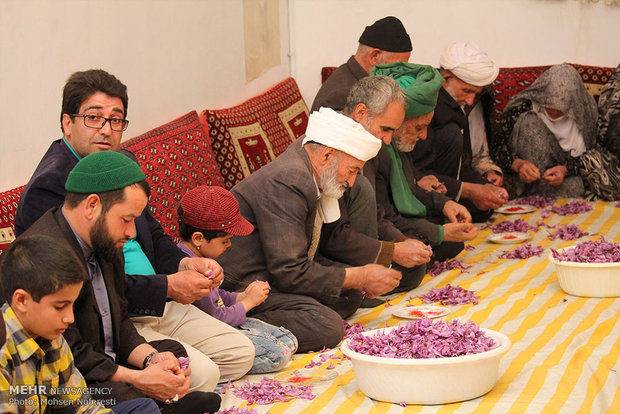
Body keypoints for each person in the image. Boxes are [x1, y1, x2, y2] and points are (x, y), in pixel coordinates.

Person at [13, 69, 254, 391]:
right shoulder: (51, 189)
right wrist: (166, 288)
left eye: (116, 120)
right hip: (115, 313)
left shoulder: (120, 163)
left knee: (241, 354)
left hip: (157, 301)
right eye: (94, 118)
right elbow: (85, 292)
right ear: (67, 123)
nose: (106, 130)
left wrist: (186, 264)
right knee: (201, 375)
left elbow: (152, 232)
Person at [18, 152, 221, 413]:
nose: (132, 232)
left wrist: (151, 359)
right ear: (92, 205)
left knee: (171, 354)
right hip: (67, 381)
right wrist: (138, 379)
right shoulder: (45, 257)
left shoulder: (105, 240)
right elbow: (70, 353)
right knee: (131, 398)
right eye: (126, 219)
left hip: (104, 363)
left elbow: (119, 320)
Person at [216, 108, 403, 352]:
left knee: (350, 294)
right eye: (353, 170)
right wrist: (361, 275)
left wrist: (356, 277)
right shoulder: (290, 179)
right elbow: (289, 270)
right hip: (239, 286)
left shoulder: (309, 163)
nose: (351, 181)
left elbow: (303, 256)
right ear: (327, 156)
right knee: (326, 326)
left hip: (270, 275)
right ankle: (228, 322)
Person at [0, 235, 161, 413]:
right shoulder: (3, 350)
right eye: (60, 307)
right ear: (22, 300)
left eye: (72, 305)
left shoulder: (53, 340)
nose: (70, 318)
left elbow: (81, 406)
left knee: (143, 408)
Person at [363, 63, 479, 262]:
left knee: (448, 238)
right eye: (418, 127)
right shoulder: (373, 151)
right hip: (379, 232)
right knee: (421, 257)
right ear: (398, 120)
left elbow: (410, 190)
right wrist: (439, 233)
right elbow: (384, 219)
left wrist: (445, 204)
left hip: (395, 223)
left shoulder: (397, 144)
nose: (424, 136)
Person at [177, 186, 298, 374]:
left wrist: (241, 297)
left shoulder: (202, 260)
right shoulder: (189, 271)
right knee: (277, 354)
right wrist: (248, 303)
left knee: (289, 339)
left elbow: (217, 297)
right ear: (198, 238)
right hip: (211, 330)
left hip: (222, 319)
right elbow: (215, 319)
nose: (230, 245)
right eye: (225, 240)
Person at [410, 42, 507, 221]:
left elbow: (462, 164)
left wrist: (485, 186)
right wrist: (469, 191)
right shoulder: (426, 107)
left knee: (485, 206)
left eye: (475, 94)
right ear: (446, 78)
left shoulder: (455, 108)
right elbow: (415, 172)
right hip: (419, 190)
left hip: (448, 185)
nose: (470, 101)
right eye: (467, 91)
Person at [490, 64, 598, 197]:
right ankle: (531, 191)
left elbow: (594, 156)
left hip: (561, 178)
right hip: (525, 176)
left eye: (561, 108)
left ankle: (538, 194)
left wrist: (565, 169)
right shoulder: (522, 108)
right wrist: (518, 165)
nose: (554, 111)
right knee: (530, 123)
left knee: (575, 187)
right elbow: (496, 148)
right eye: (550, 104)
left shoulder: (584, 116)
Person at [311, 16, 412, 112]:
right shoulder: (343, 95)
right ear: (374, 57)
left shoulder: (358, 80)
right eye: (398, 66)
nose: (401, 72)